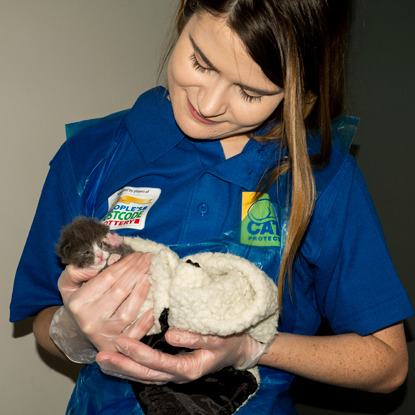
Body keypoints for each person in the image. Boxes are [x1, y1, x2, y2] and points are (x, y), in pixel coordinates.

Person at [10, 0, 414, 414]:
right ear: (185, 15)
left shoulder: (322, 179)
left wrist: (251, 348)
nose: (208, 105)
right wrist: (73, 331)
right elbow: (41, 314)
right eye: (201, 64)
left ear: (295, 88)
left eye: (250, 92)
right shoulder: (87, 157)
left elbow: (386, 364)